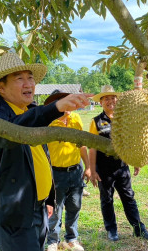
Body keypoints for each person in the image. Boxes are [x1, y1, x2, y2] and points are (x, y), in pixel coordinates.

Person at [0, 52, 91, 251]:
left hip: (38, 209)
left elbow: (42, 157)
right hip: (14, 214)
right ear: (1, 87)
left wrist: (47, 199)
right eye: (19, 78)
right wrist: (55, 107)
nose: (28, 83)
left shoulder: (32, 112)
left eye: (30, 78)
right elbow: (14, 132)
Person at [88, 85, 148, 242]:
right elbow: (92, 148)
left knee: (128, 197)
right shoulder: (96, 122)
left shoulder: (124, 119)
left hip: (122, 166)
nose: (110, 101)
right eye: (106, 99)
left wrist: (136, 161)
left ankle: (139, 229)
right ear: (101, 102)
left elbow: (132, 142)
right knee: (107, 199)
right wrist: (92, 170)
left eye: (113, 98)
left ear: (117, 100)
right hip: (104, 168)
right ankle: (111, 230)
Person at [44, 90, 90, 251]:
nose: (69, 104)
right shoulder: (49, 122)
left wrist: (89, 167)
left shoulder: (76, 118)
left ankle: (72, 239)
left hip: (76, 170)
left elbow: (82, 143)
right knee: (55, 209)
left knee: (75, 206)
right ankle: (52, 241)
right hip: (55, 173)